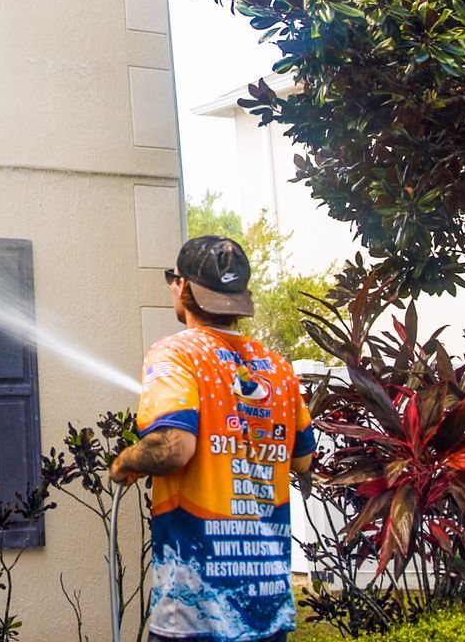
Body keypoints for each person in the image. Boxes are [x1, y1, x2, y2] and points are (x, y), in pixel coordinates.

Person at [110, 235, 315, 642]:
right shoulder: (278, 369)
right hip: (266, 603)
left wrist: (125, 462)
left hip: (196, 608)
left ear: (182, 287)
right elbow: (302, 462)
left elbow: (173, 448)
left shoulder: (177, 353)